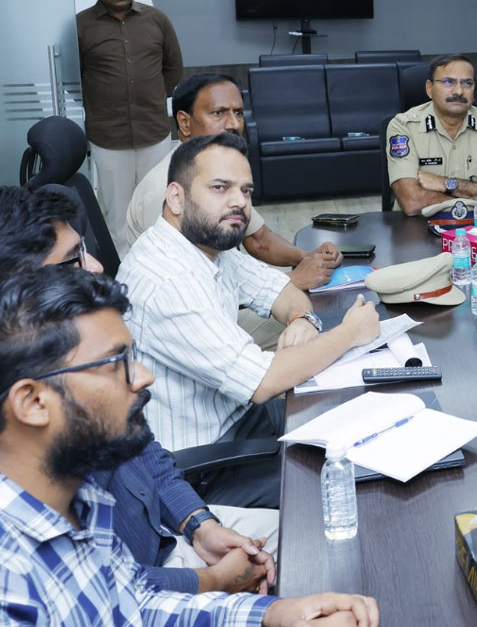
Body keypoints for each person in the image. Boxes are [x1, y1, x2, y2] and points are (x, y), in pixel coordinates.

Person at [0, 266, 379, 626]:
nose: (144, 377)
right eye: (116, 363)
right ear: (32, 403)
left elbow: (133, 606)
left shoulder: (81, 500)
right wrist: (225, 586)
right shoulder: (10, 581)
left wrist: (274, 614)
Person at [0, 184, 280, 593]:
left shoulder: (84, 361)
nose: (96, 266)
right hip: (152, 583)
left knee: (318, 532)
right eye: (73, 260)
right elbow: (94, 585)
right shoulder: (47, 408)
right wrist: (213, 581)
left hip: (170, 539)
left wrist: (199, 524)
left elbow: (145, 450)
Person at [118, 132, 380, 508]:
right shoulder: (166, 280)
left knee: (364, 417)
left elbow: (282, 292)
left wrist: (302, 319)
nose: (239, 202)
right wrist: (351, 332)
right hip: (202, 470)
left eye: (246, 190)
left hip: (241, 419)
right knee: (354, 480)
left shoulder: (209, 244)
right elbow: (262, 381)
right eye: (220, 188)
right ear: (176, 197)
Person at [124, 73, 343, 348]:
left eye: (238, 113)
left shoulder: (218, 172)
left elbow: (259, 239)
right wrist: (293, 279)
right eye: (218, 113)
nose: (234, 124)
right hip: (188, 325)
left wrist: (307, 257)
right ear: (184, 122)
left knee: (311, 317)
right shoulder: (165, 189)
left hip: (222, 302)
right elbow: (192, 295)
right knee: (318, 329)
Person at [76, 0, 183, 246]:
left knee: (159, 207)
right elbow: (75, 78)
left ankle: (160, 263)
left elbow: (173, 67)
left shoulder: (157, 20)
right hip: (108, 136)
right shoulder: (81, 26)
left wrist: (151, 96)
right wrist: (102, 99)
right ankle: (124, 270)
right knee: (118, 215)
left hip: (154, 131)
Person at [386, 54, 477, 215]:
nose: (459, 91)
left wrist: (445, 184)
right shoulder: (404, 126)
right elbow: (412, 202)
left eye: (467, 83)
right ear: (429, 88)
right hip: (418, 226)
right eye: (448, 82)